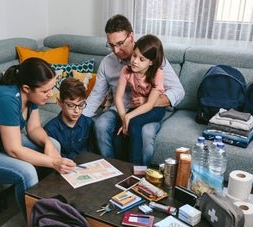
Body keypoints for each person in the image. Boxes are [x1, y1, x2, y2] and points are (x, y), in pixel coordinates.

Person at [0, 57, 76, 219]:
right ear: (26, 88)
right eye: (45, 91)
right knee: (27, 172)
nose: (50, 94)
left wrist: (47, 143)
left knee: (53, 144)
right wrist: (53, 162)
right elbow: (14, 150)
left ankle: (51, 202)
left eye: (51, 89)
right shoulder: (7, 99)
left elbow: (34, 128)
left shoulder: (32, 97)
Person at [83, 14, 185, 166]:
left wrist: (151, 101)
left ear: (131, 36)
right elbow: (96, 96)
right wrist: (76, 116)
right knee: (101, 125)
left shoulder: (153, 58)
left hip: (148, 109)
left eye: (120, 43)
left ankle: (140, 176)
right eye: (111, 45)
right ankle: (113, 170)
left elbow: (178, 91)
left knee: (145, 133)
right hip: (119, 109)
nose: (116, 50)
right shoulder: (108, 63)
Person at [115, 34, 166, 164]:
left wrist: (129, 117)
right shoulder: (126, 71)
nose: (135, 61)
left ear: (151, 62)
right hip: (136, 108)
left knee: (134, 123)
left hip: (155, 109)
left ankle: (135, 168)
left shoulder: (157, 73)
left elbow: (149, 104)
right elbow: (118, 97)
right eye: (134, 55)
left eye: (141, 59)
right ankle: (122, 166)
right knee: (120, 132)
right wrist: (123, 117)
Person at [44, 77, 94, 159]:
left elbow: (94, 153)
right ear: (60, 103)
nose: (77, 111)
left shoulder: (89, 123)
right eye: (71, 105)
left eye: (81, 105)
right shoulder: (50, 130)